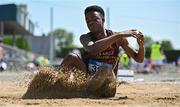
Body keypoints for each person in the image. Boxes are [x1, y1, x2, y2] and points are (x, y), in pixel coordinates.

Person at [60, 5, 144, 97]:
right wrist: (119, 35)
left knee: (105, 68)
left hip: (107, 86)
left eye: (95, 19)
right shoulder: (85, 38)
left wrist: (141, 46)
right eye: (88, 21)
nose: (91, 23)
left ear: (103, 20)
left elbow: (138, 59)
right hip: (89, 81)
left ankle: (83, 92)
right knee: (71, 57)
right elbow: (92, 50)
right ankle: (52, 85)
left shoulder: (119, 38)